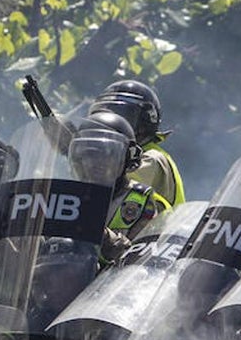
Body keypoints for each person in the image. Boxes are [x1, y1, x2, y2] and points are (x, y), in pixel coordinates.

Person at [70, 111, 172, 264]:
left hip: (104, 286)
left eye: (108, 154)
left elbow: (142, 263)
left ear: (127, 159)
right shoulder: (64, 196)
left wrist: (101, 235)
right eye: (89, 154)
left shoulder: (140, 201)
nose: (96, 162)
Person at [88, 79, 186, 207]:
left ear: (145, 123)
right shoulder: (123, 158)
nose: (110, 125)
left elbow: (112, 189)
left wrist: (79, 156)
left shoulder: (151, 158)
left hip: (150, 227)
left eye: (123, 118)